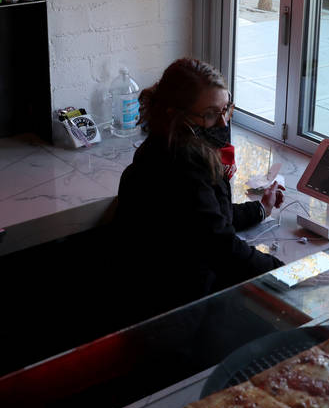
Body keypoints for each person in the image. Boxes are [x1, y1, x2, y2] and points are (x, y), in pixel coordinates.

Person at [114, 58, 284, 310]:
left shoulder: (163, 145)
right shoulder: (181, 166)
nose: (224, 122)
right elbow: (220, 246)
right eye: (211, 114)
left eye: (226, 109)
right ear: (176, 115)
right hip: (176, 310)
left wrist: (261, 209)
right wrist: (285, 273)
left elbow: (208, 218)